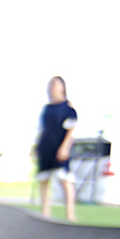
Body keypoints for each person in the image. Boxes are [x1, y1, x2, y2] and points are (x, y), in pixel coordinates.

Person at [34, 76, 78, 222]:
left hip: (60, 148)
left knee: (65, 180)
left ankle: (70, 214)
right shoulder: (47, 108)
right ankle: (45, 214)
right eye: (50, 84)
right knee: (44, 180)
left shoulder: (68, 107)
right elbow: (43, 129)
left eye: (55, 84)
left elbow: (71, 129)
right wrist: (37, 146)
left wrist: (65, 147)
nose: (52, 87)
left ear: (62, 87)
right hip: (46, 148)